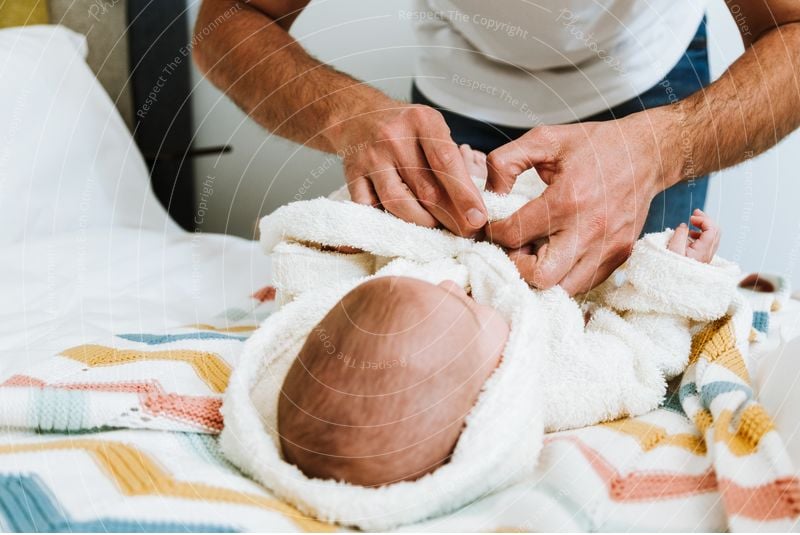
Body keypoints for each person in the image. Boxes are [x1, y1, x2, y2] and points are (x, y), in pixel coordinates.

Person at [194, 1, 800, 295]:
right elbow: (228, 22)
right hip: (457, 87)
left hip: (649, 91)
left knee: (647, 297)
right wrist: (347, 116)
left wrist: (661, 150)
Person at [277, 146, 725, 487]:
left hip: (495, 182)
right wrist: (676, 273)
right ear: (479, 408)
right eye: (465, 310)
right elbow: (638, 356)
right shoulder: (546, 384)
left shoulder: (410, 298)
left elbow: (354, 248)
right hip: (598, 247)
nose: (451, 287)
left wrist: (455, 191)